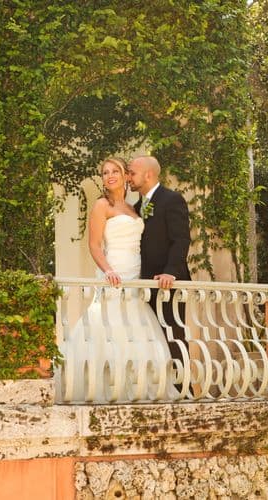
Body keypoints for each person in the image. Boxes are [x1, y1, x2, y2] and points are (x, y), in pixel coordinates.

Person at [59, 157, 176, 403]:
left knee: (135, 329)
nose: (110, 175)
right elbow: (94, 245)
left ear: (125, 176)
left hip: (136, 274)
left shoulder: (136, 208)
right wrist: (108, 270)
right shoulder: (102, 205)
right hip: (114, 272)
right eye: (105, 172)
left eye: (115, 171)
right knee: (108, 327)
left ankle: (136, 387)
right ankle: (106, 389)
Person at [127, 155, 191, 372]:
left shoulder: (171, 200)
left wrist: (170, 273)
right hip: (144, 285)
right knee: (148, 337)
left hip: (168, 284)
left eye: (132, 173)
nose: (128, 178)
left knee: (172, 336)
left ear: (148, 174)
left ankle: (184, 390)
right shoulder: (135, 207)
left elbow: (180, 239)